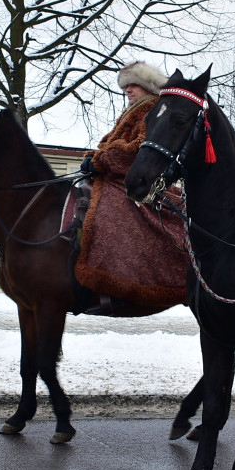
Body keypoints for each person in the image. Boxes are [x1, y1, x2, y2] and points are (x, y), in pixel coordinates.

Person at [74, 61, 187, 308]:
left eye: (134, 84)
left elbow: (138, 152)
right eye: (126, 85)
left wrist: (101, 161)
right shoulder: (132, 112)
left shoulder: (152, 111)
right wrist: (93, 159)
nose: (128, 89)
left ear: (148, 86)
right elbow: (109, 145)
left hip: (139, 182)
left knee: (111, 214)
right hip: (112, 177)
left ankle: (119, 284)